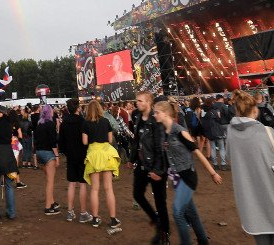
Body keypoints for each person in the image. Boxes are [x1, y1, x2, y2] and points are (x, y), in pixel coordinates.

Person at [228, 90, 274, 244]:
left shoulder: (231, 133)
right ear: (255, 110)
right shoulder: (267, 132)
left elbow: (230, 156)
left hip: (251, 205)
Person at [154, 100, 221, 245]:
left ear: (165, 113)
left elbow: (197, 152)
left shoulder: (179, 131)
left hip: (187, 176)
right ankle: (203, 241)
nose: (155, 115)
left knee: (177, 212)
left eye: (157, 112)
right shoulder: (163, 132)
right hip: (176, 178)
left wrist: (213, 173)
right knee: (191, 212)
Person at [129, 91, 168, 240]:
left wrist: (157, 170)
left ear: (149, 103)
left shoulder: (156, 119)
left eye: (140, 101)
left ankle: (164, 233)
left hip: (156, 166)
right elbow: (136, 140)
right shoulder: (138, 117)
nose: (137, 103)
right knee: (137, 194)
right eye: (137, 100)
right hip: (142, 164)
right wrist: (132, 159)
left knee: (160, 201)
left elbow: (159, 147)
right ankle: (156, 220)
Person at [84, 99, 120, 230]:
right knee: (109, 188)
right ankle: (113, 219)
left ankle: (95, 218)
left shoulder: (86, 123)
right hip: (106, 154)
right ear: (100, 109)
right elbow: (110, 139)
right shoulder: (106, 121)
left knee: (94, 189)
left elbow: (84, 142)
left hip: (93, 155)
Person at [58, 98, 91, 223]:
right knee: (82, 184)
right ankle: (83, 213)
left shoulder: (64, 123)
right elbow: (87, 141)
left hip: (70, 156)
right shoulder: (83, 122)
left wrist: (67, 153)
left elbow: (61, 143)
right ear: (78, 108)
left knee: (71, 183)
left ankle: (70, 212)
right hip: (82, 156)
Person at [34, 104, 61, 216]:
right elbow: (53, 142)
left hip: (39, 153)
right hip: (48, 153)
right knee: (50, 182)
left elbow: (36, 140)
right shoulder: (50, 124)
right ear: (50, 112)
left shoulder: (39, 124)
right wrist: (57, 156)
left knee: (48, 180)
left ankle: (52, 202)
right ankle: (48, 207)